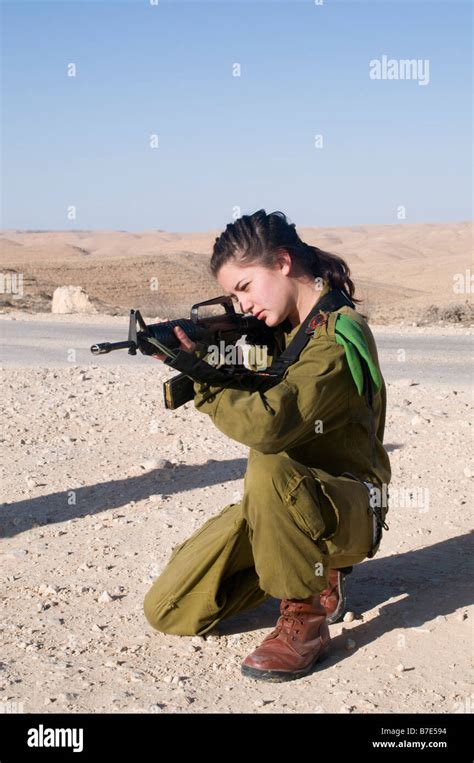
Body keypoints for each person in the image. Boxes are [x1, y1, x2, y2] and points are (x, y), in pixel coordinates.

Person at [143, 209, 391, 682]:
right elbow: (246, 375)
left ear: (281, 262)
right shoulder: (273, 331)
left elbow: (270, 426)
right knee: (170, 610)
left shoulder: (337, 335)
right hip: (283, 503)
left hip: (349, 504)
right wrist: (199, 351)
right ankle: (304, 566)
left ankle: (308, 617)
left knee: (270, 461)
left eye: (244, 287)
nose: (242, 304)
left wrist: (202, 380)